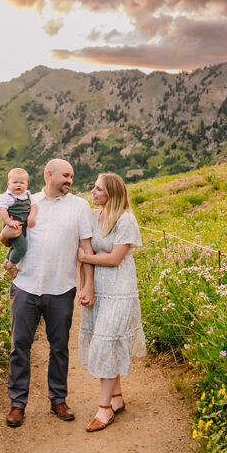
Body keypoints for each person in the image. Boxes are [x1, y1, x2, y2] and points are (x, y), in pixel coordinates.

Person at [0, 158, 95, 428]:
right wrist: (6, 233)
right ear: (49, 174)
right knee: (20, 348)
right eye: (65, 175)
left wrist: (88, 285)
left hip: (61, 288)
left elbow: (86, 249)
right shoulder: (26, 201)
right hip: (25, 286)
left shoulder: (80, 207)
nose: (70, 180)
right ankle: (17, 404)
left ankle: (58, 399)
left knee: (59, 347)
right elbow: (5, 238)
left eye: (72, 176)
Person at [76, 172, 146, 433]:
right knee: (107, 340)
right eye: (93, 187)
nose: (93, 193)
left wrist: (86, 258)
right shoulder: (96, 217)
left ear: (112, 194)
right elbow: (89, 251)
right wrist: (86, 281)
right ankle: (116, 397)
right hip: (102, 291)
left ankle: (104, 409)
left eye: (98, 190)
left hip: (120, 289)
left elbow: (116, 258)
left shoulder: (126, 219)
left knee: (106, 343)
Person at [0, 167, 39, 278]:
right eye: (15, 182)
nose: (18, 185)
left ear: (27, 185)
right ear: (8, 184)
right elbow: (2, 210)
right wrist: (9, 222)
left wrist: (31, 216)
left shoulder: (28, 195)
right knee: (22, 247)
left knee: (17, 245)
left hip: (24, 226)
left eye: (22, 183)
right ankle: (12, 264)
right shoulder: (6, 197)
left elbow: (34, 206)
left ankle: (7, 261)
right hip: (13, 226)